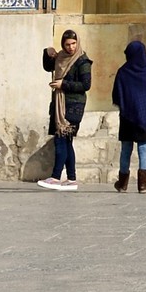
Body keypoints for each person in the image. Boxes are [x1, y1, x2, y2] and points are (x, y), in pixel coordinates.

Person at [40, 29, 91, 189]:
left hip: (73, 107)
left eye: (74, 43)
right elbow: (48, 67)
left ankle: (55, 177)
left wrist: (63, 84)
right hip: (59, 105)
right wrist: (47, 52)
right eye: (68, 44)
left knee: (60, 139)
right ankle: (71, 179)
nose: (71, 47)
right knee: (67, 142)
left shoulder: (82, 61)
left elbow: (86, 85)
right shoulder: (61, 57)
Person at [111, 38, 146, 194]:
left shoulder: (123, 71)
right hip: (145, 117)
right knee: (144, 148)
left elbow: (117, 95)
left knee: (126, 149)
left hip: (128, 116)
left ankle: (122, 183)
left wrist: (128, 106)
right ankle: (142, 185)